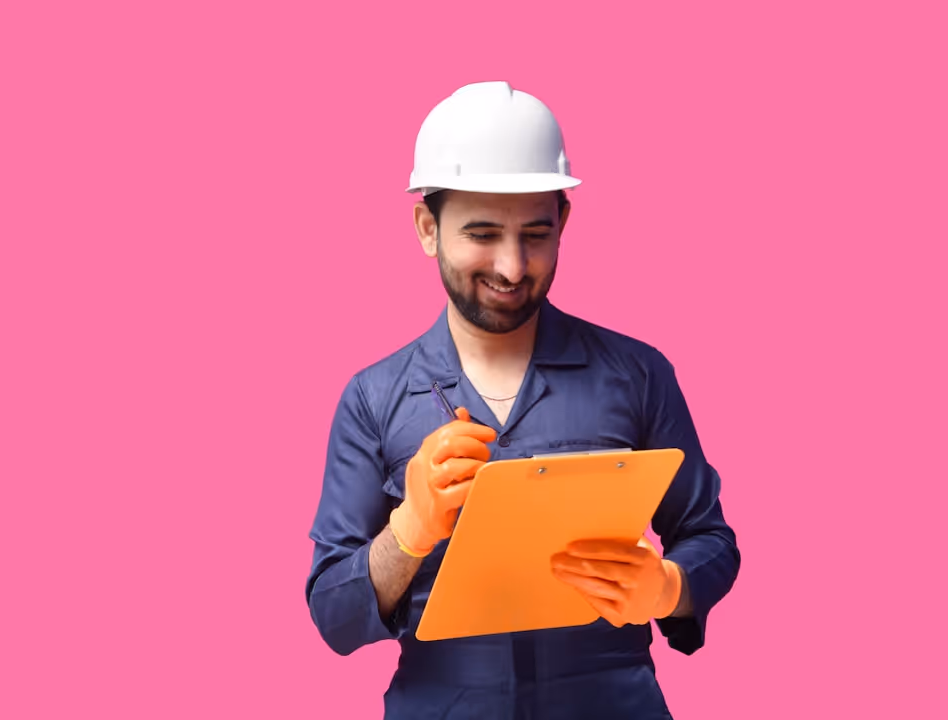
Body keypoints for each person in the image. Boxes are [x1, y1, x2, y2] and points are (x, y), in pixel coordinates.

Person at [305, 81, 740, 719]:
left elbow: (710, 537)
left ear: (564, 222)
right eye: (482, 234)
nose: (512, 267)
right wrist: (409, 531)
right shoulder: (373, 400)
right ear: (428, 228)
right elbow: (334, 618)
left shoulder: (639, 374)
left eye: (535, 234)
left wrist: (668, 587)